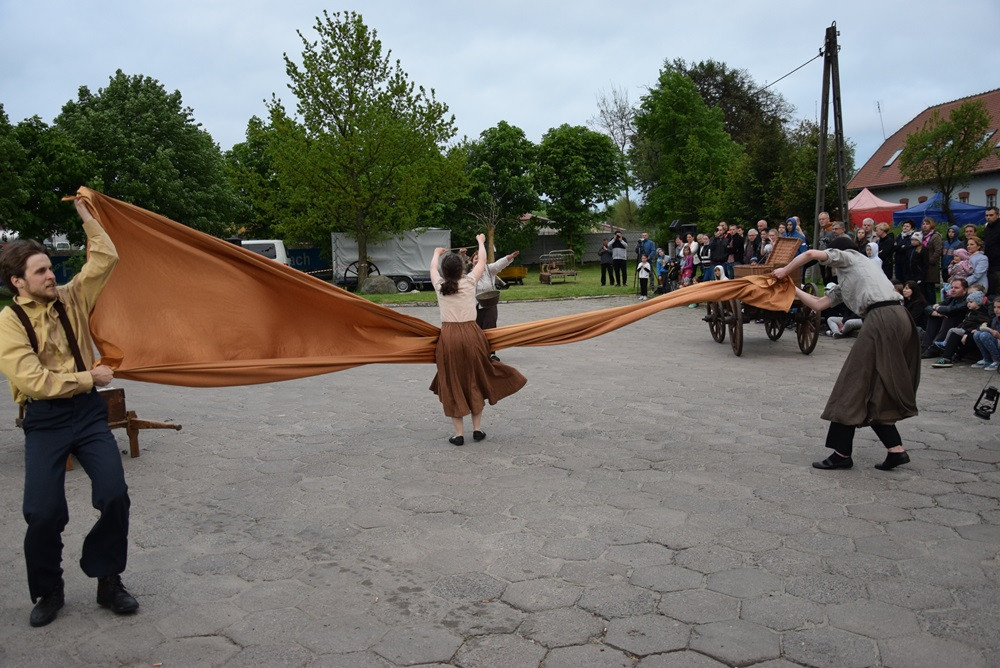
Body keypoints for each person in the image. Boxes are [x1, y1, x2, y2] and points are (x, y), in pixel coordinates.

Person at [0, 198, 139, 627]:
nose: (50, 275)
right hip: (44, 420)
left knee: (114, 494)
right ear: (18, 282)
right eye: (40, 271)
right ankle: (49, 589)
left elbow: (106, 258)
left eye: (49, 267)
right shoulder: (9, 321)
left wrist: (87, 216)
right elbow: (31, 381)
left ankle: (107, 578)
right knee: (42, 513)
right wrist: (88, 378)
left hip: (87, 414)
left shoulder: (72, 297)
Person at [772, 236, 919, 472]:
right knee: (873, 385)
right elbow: (819, 304)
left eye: (830, 254)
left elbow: (810, 254)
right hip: (899, 318)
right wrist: (792, 288)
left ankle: (841, 454)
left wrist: (784, 270)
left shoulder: (851, 258)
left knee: (851, 383)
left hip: (881, 318)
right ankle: (896, 450)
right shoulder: (853, 275)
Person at [429, 235, 526, 446]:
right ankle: (477, 430)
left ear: (445, 272)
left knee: (454, 379)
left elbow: (432, 269)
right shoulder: (470, 281)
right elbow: (482, 261)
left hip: (449, 337)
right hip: (473, 334)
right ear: (462, 270)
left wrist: (436, 254)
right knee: (474, 377)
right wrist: (481, 242)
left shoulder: (439, 285)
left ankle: (459, 434)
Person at [471, 248, 519, 362]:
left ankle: (492, 353)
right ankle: (477, 352)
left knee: (490, 328)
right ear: (472, 260)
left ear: (485, 261)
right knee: (476, 330)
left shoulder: (489, 269)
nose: (477, 261)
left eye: (480, 259)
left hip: (489, 304)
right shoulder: (469, 273)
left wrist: (509, 257)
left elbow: (499, 265)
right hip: (474, 305)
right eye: (475, 259)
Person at [930, 290, 990, 368]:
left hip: (973, 332)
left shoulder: (982, 313)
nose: (968, 304)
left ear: (978, 303)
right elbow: (965, 322)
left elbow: (982, 324)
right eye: (968, 302)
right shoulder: (970, 312)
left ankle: (950, 354)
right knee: (954, 332)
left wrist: (967, 333)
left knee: (962, 335)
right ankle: (947, 357)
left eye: (971, 302)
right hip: (966, 331)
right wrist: (959, 327)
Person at [921, 278, 969, 358]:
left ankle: (934, 349)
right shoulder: (951, 298)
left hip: (962, 324)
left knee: (949, 317)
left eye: (956, 288)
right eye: (952, 287)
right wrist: (936, 313)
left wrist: (938, 308)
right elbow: (927, 308)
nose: (953, 290)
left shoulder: (967, 299)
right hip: (949, 321)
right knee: (933, 317)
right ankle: (926, 347)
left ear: (965, 290)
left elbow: (953, 309)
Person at [971, 297, 1000, 371]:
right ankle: (987, 359)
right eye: (994, 307)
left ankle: (997, 360)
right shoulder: (995, 319)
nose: (996, 310)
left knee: (985, 336)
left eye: (999, 307)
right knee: (977, 334)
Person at [920, 217, 943, 303]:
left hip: (931, 266)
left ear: (931, 225)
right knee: (923, 288)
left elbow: (938, 250)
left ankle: (932, 305)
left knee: (930, 289)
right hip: (922, 265)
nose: (925, 226)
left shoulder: (935, 236)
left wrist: (930, 261)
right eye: (923, 224)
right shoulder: (921, 236)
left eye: (927, 224)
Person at [983, 206, 1000, 297]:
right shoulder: (987, 228)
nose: (988, 217)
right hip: (989, 264)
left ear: (997, 215)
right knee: (990, 291)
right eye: (987, 215)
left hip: (998, 265)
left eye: (991, 215)